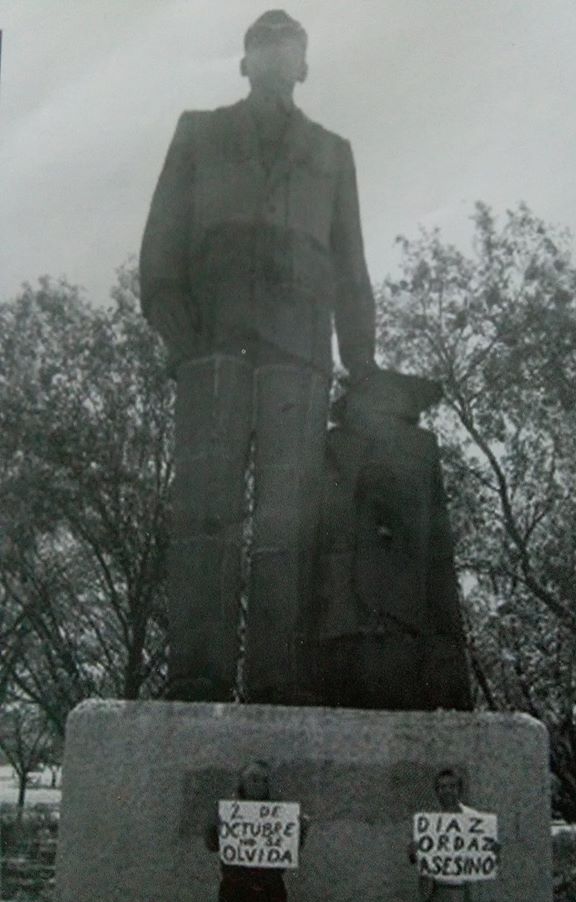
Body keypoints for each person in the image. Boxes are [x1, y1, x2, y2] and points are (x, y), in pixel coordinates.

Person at [139, 10, 376, 703]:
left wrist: (360, 365)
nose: (276, 56)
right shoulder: (199, 133)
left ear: (304, 65)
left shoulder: (333, 151)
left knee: (289, 519)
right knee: (204, 514)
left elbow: (351, 266)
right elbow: (161, 242)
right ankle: (196, 675)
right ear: (244, 62)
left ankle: (281, 677)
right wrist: (179, 334)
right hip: (212, 345)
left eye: (290, 47)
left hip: (298, 352)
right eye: (262, 45)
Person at [205, 759, 307, 902]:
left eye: (264, 780)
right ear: (241, 782)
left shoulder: (279, 813)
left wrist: (301, 830)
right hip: (235, 891)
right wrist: (214, 825)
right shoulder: (228, 810)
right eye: (253, 778)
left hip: (270, 892)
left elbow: (289, 851)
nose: (259, 784)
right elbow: (212, 845)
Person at [408, 767, 495, 902]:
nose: (446, 791)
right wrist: (413, 853)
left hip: (466, 892)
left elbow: (488, 857)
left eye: (451, 786)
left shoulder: (474, 820)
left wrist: (492, 851)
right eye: (441, 787)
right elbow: (419, 858)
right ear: (436, 792)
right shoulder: (430, 823)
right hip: (438, 891)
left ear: (459, 790)